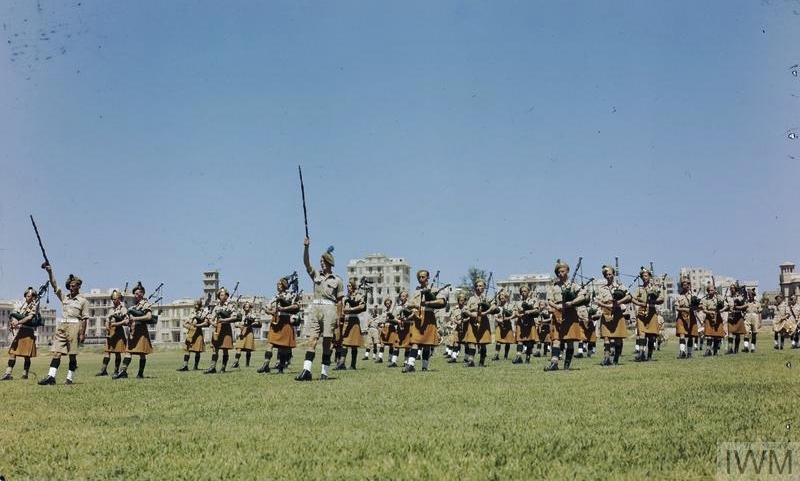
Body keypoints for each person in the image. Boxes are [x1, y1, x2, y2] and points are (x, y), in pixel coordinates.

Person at [295, 239, 344, 381]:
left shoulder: (338, 280)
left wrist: (339, 317)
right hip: (315, 309)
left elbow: (340, 301)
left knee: (327, 342)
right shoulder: (316, 275)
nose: (321, 263)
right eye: (321, 261)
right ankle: (306, 371)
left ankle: (324, 372)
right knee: (312, 339)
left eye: (323, 261)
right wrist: (306, 247)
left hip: (330, 310)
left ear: (329, 262)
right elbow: (306, 263)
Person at [38, 264, 89, 386]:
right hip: (62, 326)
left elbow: (84, 319)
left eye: (74, 286)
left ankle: (69, 378)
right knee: (56, 352)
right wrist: (50, 272)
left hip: (74, 327)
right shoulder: (64, 297)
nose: (71, 288)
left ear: (78, 286)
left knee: (72, 355)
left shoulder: (83, 301)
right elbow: (54, 285)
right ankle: (51, 377)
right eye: (70, 286)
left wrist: (82, 334)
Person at [544, 260, 588, 371]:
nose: (560, 274)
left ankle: (567, 365)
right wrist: (556, 306)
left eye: (562, 271)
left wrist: (572, 302)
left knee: (569, 340)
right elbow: (549, 301)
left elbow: (582, 296)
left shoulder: (573, 285)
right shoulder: (554, 286)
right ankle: (554, 363)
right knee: (556, 339)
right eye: (558, 272)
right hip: (558, 313)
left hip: (570, 313)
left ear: (567, 271)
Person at [403, 269, 447, 372]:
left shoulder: (434, 289)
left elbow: (442, 302)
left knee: (427, 343)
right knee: (415, 341)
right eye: (419, 277)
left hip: (429, 316)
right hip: (417, 317)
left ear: (428, 277)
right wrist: (412, 306)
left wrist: (428, 303)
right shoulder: (416, 291)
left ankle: (424, 367)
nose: (421, 279)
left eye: (423, 277)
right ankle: (410, 365)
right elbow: (409, 304)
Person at [258, 276, 300, 374]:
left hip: (286, 320)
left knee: (283, 346)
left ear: (285, 285)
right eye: (277, 284)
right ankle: (266, 364)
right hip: (276, 320)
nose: (278, 286)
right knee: (270, 343)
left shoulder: (291, 295)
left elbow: (296, 306)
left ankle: (281, 367)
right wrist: (270, 312)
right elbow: (268, 308)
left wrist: (284, 309)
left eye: (280, 284)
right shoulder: (275, 297)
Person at [112, 282, 153, 379]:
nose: (136, 295)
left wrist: (135, 318)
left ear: (142, 294)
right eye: (135, 294)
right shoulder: (133, 306)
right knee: (128, 351)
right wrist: (126, 321)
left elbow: (149, 317)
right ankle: (123, 371)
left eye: (138, 293)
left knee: (142, 353)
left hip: (141, 330)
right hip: (133, 330)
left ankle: (140, 374)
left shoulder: (146, 304)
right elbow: (128, 319)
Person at [2, 286, 41, 381]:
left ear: (34, 297)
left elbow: (29, 318)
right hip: (20, 331)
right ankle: (8, 373)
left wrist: (17, 323)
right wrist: (13, 322)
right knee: (12, 352)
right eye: (27, 296)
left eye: (31, 296)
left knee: (27, 355)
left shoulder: (35, 305)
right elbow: (18, 314)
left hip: (28, 331)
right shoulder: (23, 305)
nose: (29, 298)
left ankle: (25, 374)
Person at [594, 265, 631, 366]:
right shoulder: (602, 289)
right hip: (606, 313)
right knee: (606, 337)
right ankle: (606, 359)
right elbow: (598, 300)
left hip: (617, 312)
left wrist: (619, 302)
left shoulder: (620, 286)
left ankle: (616, 359)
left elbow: (629, 296)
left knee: (618, 337)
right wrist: (603, 305)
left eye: (610, 274)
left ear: (614, 275)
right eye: (606, 275)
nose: (608, 276)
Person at [629, 267, 664, 362]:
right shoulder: (639, 288)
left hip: (652, 312)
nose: (644, 277)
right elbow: (632, 298)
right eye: (643, 276)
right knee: (642, 334)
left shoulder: (655, 288)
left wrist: (653, 300)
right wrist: (639, 303)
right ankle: (641, 354)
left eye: (646, 275)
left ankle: (649, 356)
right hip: (641, 312)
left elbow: (661, 299)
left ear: (649, 276)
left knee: (651, 336)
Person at [204, 287, 239, 374]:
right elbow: (211, 318)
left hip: (226, 328)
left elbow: (235, 317)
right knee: (215, 348)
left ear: (227, 296)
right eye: (221, 295)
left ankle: (223, 368)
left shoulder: (231, 306)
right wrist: (213, 323)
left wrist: (224, 320)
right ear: (219, 296)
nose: (223, 296)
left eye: (224, 295)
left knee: (225, 349)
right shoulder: (216, 307)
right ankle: (213, 367)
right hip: (218, 329)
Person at [465, 278, 497, 367]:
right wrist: (471, 314)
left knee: (483, 343)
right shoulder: (471, 299)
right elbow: (466, 310)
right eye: (477, 286)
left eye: (480, 286)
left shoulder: (487, 298)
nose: (478, 287)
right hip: (473, 321)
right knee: (472, 342)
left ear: (484, 287)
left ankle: (482, 362)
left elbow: (494, 307)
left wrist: (486, 312)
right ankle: (470, 361)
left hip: (483, 321)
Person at [96, 289, 129, 376]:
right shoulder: (111, 309)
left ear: (119, 299)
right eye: (113, 299)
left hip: (118, 332)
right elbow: (108, 319)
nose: (113, 301)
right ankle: (103, 370)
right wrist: (107, 325)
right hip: (110, 332)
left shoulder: (123, 309)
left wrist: (116, 324)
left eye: (115, 299)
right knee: (107, 351)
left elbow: (126, 321)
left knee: (117, 352)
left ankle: (116, 371)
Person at [336, 278, 366, 370]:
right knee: (344, 342)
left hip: (354, 320)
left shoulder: (358, 295)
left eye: (349, 286)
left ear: (353, 286)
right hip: (346, 320)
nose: (348, 287)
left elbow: (362, 306)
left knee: (354, 344)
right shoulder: (345, 297)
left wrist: (351, 309)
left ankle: (353, 364)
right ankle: (342, 363)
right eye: (347, 286)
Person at [178, 298, 210, 371]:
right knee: (187, 349)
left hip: (198, 332)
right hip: (191, 332)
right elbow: (186, 322)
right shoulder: (192, 313)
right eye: (194, 304)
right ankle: (185, 365)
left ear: (199, 305)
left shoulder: (203, 312)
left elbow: (206, 323)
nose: (195, 306)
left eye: (197, 304)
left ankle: (196, 366)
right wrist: (187, 325)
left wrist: (198, 325)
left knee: (197, 351)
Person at [512, 284, 538, 364]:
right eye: (522, 291)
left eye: (525, 291)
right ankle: (518, 357)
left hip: (530, 321)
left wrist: (529, 311)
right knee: (520, 340)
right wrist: (518, 314)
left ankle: (528, 358)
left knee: (529, 341)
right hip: (521, 322)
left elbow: (537, 310)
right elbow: (514, 311)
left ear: (528, 292)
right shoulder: (518, 302)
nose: (523, 293)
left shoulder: (533, 300)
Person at [673, 277, 699, 359]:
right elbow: (677, 308)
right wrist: (686, 309)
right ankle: (682, 352)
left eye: (687, 284)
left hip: (691, 316)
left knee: (690, 335)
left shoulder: (693, 296)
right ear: (681, 286)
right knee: (682, 334)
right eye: (684, 284)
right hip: (681, 316)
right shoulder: (678, 296)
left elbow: (698, 307)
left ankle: (689, 353)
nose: (686, 286)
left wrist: (695, 305)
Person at [232, 301, 261, 368]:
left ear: (250, 308)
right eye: (245, 307)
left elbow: (257, 322)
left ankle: (247, 364)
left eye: (248, 307)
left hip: (249, 332)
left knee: (248, 348)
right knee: (239, 347)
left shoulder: (252, 315)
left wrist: (251, 324)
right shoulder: (241, 315)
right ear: (244, 308)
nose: (246, 308)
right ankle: (236, 362)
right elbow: (236, 324)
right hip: (242, 332)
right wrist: (240, 326)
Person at [701, 284, 727, 356]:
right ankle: (708, 350)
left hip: (717, 316)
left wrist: (720, 311)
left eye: (712, 290)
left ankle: (716, 351)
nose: (710, 292)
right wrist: (710, 312)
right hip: (709, 317)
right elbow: (704, 309)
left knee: (717, 335)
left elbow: (726, 305)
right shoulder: (705, 299)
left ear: (714, 290)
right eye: (709, 290)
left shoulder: (719, 298)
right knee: (709, 335)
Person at [491, 290, 516, 362]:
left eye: (502, 298)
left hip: (508, 325)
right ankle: (496, 355)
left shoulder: (511, 306)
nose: (501, 299)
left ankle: (506, 355)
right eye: (500, 298)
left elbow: (514, 314)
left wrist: (508, 318)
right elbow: (495, 317)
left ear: (506, 298)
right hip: (500, 325)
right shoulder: (498, 307)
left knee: (508, 341)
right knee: (498, 341)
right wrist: (499, 320)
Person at [445, 293, 468, 363]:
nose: (462, 302)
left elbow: (470, 317)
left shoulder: (467, 309)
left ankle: (466, 358)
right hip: (458, 328)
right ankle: (454, 357)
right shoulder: (455, 309)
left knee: (466, 343)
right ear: (458, 301)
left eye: (463, 300)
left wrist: (464, 321)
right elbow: (452, 318)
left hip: (466, 328)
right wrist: (457, 322)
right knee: (456, 343)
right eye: (460, 300)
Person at [725, 283, 747, 354]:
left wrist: (738, 307)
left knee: (738, 333)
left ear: (736, 289)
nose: (732, 289)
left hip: (738, 315)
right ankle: (730, 349)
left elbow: (746, 305)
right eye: (731, 288)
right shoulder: (728, 298)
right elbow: (725, 306)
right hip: (731, 315)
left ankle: (736, 348)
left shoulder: (740, 297)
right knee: (730, 332)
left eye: (733, 288)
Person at [377, 298, 398, 364]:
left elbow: (396, 320)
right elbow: (380, 320)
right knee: (382, 343)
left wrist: (391, 318)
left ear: (391, 304)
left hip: (391, 328)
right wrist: (382, 322)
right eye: (386, 303)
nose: (387, 304)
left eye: (389, 303)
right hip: (384, 328)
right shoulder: (384, 312)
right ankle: (380, 358)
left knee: (391, 344)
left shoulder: (394, 311)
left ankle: (390, 358)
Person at [742, 288, 761, 353]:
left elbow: (759, 313)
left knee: (754, 333)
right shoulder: (746, 302)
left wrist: (760, 322)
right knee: (746, 332)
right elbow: (743, 309)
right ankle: (746, 347)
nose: (750, 296)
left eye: (751, 295)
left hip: (755, 318)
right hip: (747, 317)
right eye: (749, 295)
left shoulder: (757, 303)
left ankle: (753, 347)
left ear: (753, 295)